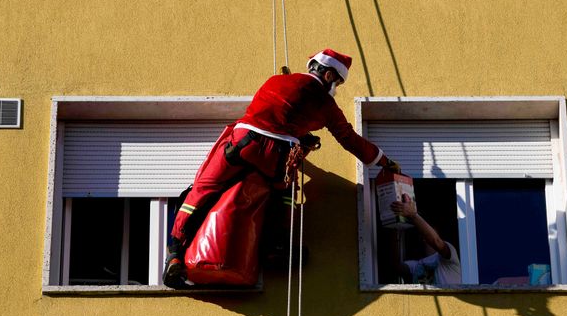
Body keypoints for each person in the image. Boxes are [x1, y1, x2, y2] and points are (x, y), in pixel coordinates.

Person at [163, 48, 401, 287]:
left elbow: (275, 112)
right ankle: (279, 244)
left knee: (201, 190)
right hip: (279, 157)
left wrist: (298, 133)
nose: (335, 88)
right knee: (284, 194)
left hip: (242, 144)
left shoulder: (276, 80)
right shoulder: (326, 105)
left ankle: (174, 255)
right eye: (337, 82)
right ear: (328, 76)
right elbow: (349, 139)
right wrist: (384, 161)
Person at [390, 194, 461, 285]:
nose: (424, 236)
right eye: (422, 233)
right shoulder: (416, 265)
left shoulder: (449, 255)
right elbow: (396, 266)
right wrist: (394, 223)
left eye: (427, 232)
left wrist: (413, 215)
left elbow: (436, 241)